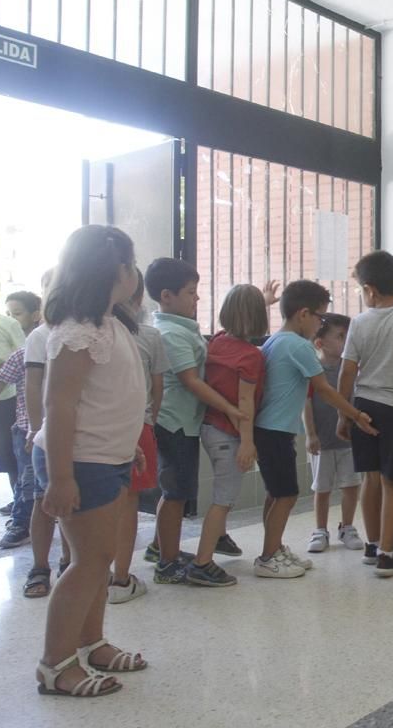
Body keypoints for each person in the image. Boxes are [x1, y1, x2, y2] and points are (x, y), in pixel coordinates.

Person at [33, 225, 147, 698]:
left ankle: (92, 641)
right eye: (131, 262)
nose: (135, 271)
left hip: (105, 457)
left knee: (98, 561)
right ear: (116, 269)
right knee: (89, 561)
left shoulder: (109, 322)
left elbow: (108, 397)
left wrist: (128, 441)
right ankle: (56, 664)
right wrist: (60, 477)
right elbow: (59, 405)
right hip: (80, 463)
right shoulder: (79, 331)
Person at [256, 281, 376, 578]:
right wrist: (355, 414)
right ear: (303, 314)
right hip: (275, 430)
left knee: (275, 493)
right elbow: (324, 389)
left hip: (269, 429)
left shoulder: (275, 340)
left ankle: (273, 548)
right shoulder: (298, 345)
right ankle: (269, 556)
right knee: (286, 495)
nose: (320, 325)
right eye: (320, 319)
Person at [145, 258, 245, 585]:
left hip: (183, 422)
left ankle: (162, 549)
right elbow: (192, 380)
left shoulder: (180, 327)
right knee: (175, 493)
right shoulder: (169, 333)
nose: (196, 298)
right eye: (191, 292)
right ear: (166, 296)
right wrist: (230, 408)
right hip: (173, 423)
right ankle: (167, 563)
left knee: (177, 491)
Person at [337, 250, 393, 577]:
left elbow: (347, 373)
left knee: (369, 477)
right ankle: (388, 553)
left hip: (362, 407)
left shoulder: (358, 323)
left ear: (371, 290)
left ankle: (373, 544)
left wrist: (344, 414)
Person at [188, 284, 269, 587]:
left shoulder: (219, 341)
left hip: (209, 428)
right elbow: (245, 402)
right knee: (222, 499)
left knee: (224, 495)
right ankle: (202, 562)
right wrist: (247, 442)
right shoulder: (251, 356)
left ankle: (218, 539)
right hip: (229, 433)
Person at [108, 270, 167, 604]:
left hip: (97, 430)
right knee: (127, 503)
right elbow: (156, 388)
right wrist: (151, 419)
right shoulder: (145, 335)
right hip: (135, 425)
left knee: (100, 503)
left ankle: (91, 570)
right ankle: (120, 578)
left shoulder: (69, 331)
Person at [0, 289, 42, 549]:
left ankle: (30, 518)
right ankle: (22, 521)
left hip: (53, 428)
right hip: (25, 428)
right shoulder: (25, 352)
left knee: (33, 478)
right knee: (26, 477)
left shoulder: (62, 347)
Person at [304, 313, 365, 553]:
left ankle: (347, 527)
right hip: (323, 441)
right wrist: (311, 434)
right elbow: (306, 403)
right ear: (320, 343)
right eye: (340, 337)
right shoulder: (313, 370)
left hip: (348, 441)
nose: (346, 341)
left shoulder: (350, 370)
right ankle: (320, 529)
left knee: (350, 485)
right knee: (322, 488)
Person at [22, 271, 63, 597]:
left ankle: (68, 561)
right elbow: (33, 385)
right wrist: (36, 428)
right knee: (43, 500)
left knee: (73, 506)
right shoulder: (40, 335)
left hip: (79, 434)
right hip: (47, 434)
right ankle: (39, 567)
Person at [0, 269, 26, 521]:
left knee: (11, 459)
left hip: (3, 403)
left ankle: (20, 512)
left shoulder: (6, 324)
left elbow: (25, 359)